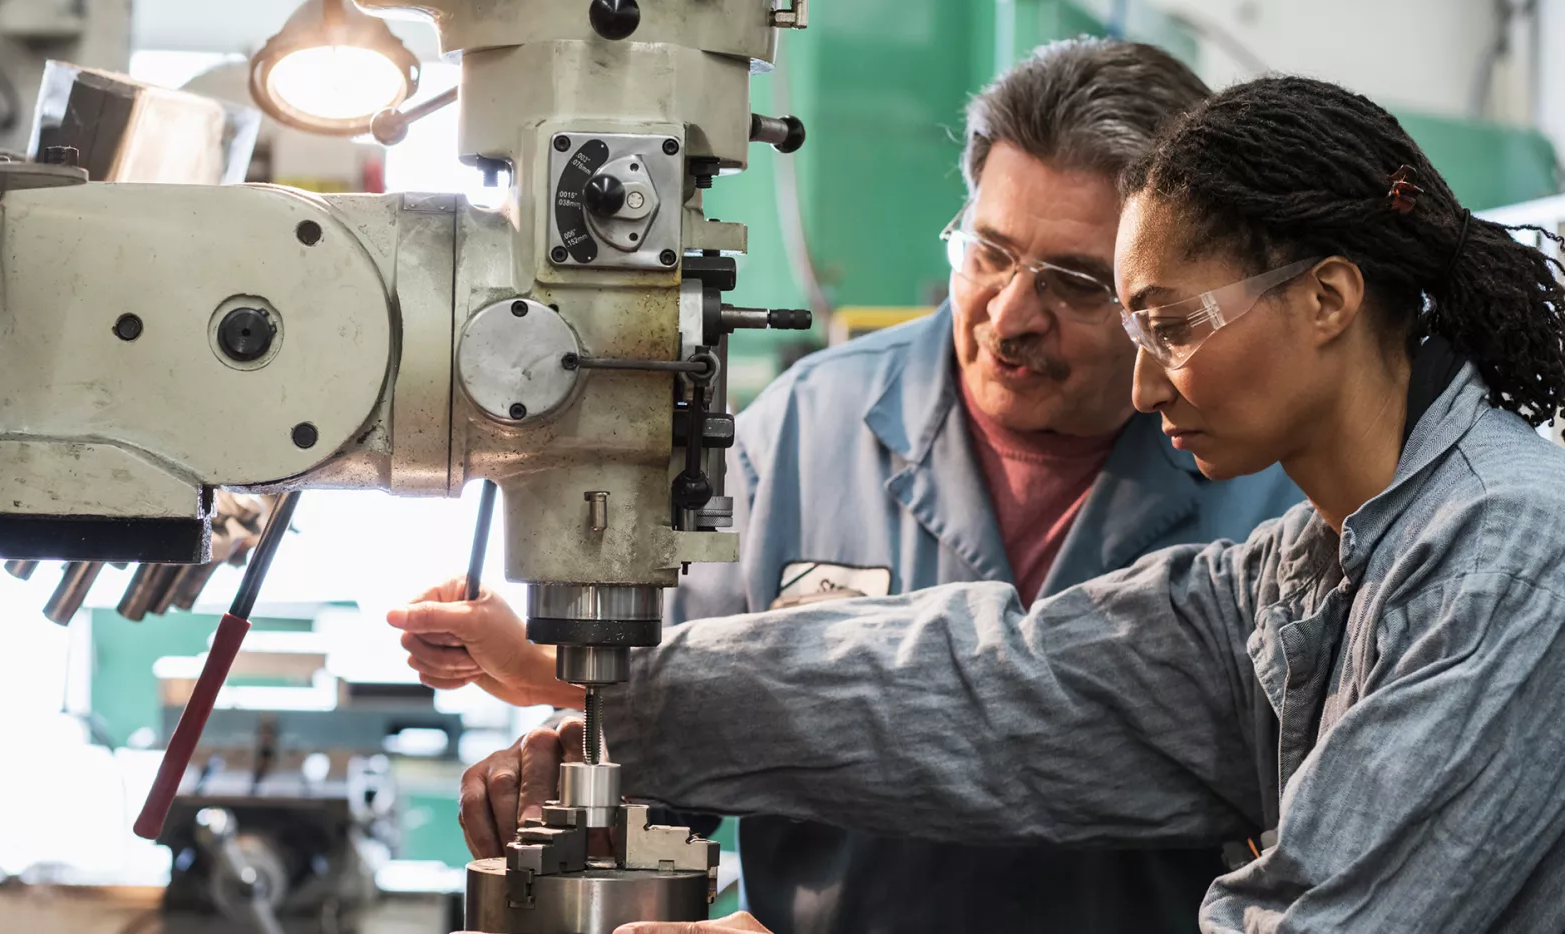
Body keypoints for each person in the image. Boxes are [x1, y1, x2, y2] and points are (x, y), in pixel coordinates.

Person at [413, 74, 1565, 932]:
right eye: (992, 255)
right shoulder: (1306, 565)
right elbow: (994, 691)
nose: (1148, 377)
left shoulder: (1508, 551)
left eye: (1165, 325)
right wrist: (602, 687)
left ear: (1326, 298)